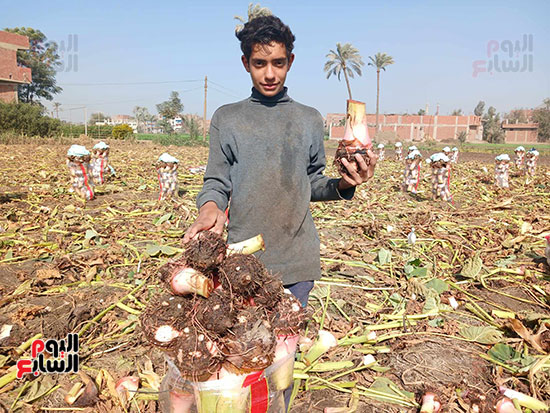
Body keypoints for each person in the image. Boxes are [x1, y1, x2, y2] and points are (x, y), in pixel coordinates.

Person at [183, 15, 377, 309]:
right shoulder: (227, 119)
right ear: (246, 63)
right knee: (244, 348)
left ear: (291, 61)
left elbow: (312, 182)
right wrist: (209, 209)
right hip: (241, 262)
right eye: (260, 63)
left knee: (285, 350)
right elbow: (216, 181)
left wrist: (344, 184)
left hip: (297, 262)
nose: (270, 74)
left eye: (279, 62)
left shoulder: (309, 119)